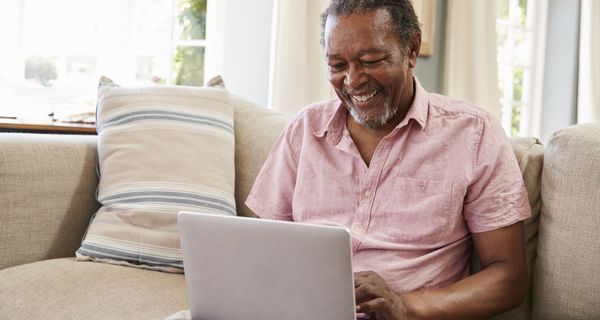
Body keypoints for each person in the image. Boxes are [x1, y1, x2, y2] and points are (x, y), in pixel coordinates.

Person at [245, 0, 532, 319]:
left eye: (370, 60)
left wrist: (405, 306)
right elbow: (263, 251)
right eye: (338, 66)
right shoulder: (304, 130)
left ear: (411, 49)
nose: (352, 81)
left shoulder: (474, 133)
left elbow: (509, 279)